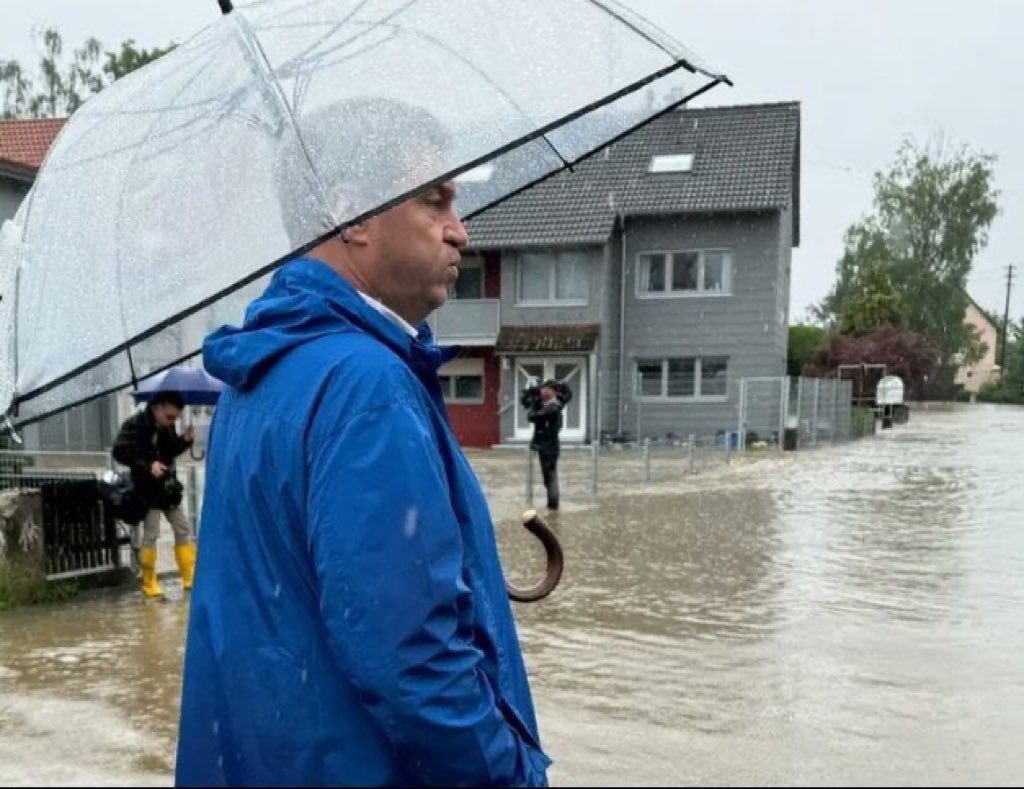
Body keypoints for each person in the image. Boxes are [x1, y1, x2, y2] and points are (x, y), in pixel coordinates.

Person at [175, 98, 550, 787]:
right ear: (351, 215)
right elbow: (412, 659)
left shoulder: (258, 375)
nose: (460, 232)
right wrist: (512, 774)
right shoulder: (364, 383)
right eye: (435, 202)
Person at [111, 391, 196, 597]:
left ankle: (189, 577)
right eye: (169, 417)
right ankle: (149, 583)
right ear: (157, 408)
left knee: (182, 528)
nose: (171, 421)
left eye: (175, 418)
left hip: (168, 489)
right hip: (147, 491)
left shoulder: (167, 427)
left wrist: (184, 440)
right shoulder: (135, 425)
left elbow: (170, 450)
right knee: (151, 533)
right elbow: (119, 451)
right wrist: (148, 465)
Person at [524, 379, 571, 511]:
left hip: (549, 447)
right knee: (548, 477)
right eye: (542, 389)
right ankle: (552, 504)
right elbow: (527, 403)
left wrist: (560, 384)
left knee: (550, 477)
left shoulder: (553, 407)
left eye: (546, 389)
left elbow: (532, 416)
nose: (542, 391)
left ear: (552, 392)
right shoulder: (548, 404)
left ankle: (553, 506)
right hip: (544, 445)